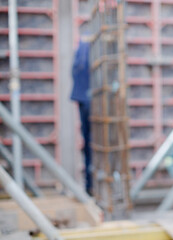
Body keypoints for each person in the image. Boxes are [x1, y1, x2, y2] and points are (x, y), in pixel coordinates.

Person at [71, 39, 92, 195]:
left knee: (89, 145)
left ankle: (90, 186)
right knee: (93, 145)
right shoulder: (92, 47)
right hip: (91, 101)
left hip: (84, 99)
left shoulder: (81, 47)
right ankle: (91, 186)